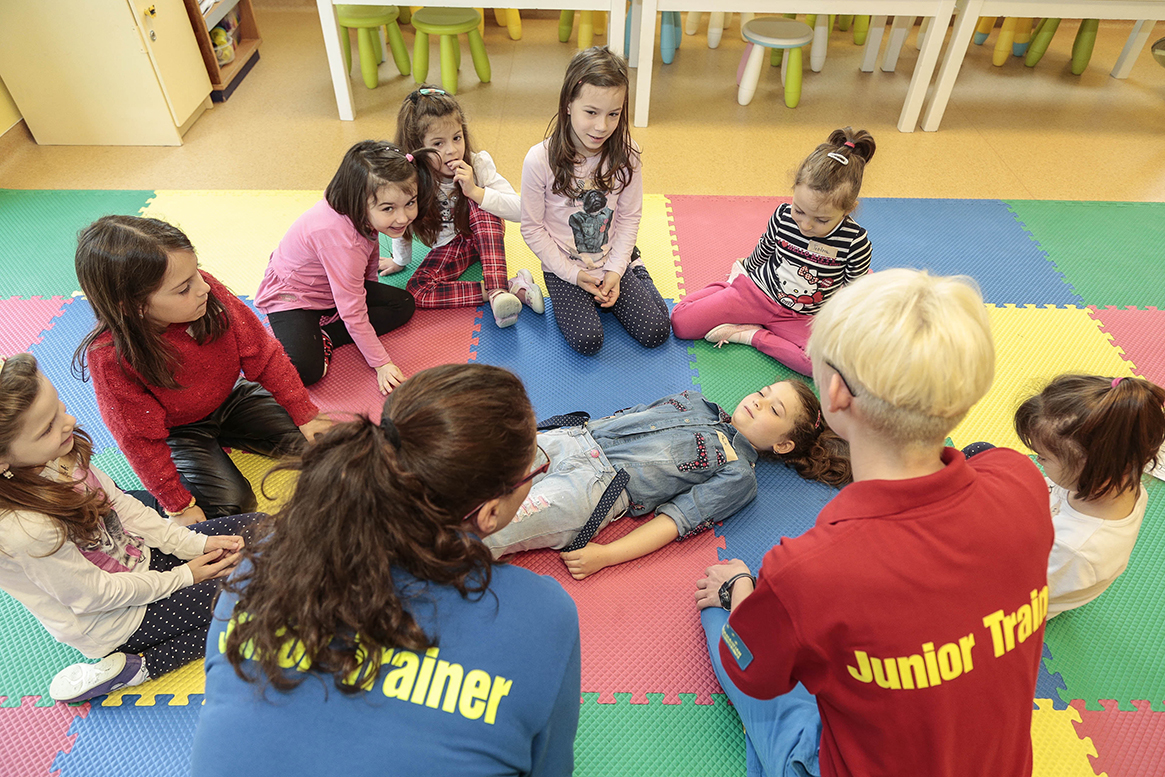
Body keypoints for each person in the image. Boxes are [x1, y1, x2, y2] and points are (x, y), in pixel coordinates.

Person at [694, 270, 1054, 777]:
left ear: (836, 395)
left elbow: (747, 672)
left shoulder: (809, 568)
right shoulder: (1021, 482)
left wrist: (742, 590)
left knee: (722, 602)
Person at [192, 364, 581, 776]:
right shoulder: (539, 614)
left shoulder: (264, 558)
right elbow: (549, 767)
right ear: (489, 512)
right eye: (534, 468)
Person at [0, 353, 254, 704]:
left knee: (264, 530)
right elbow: (94, 595)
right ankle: (138, 667)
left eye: (59, 406)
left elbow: (123, 506)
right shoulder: (24, 530)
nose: (69, 421)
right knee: (258, 601)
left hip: (139, 560)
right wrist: (185, 576)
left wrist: (193, 545)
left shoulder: (58, 452)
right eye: (46, 428)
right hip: (115, 618)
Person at [74, 216, 328, 524]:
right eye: (183, 288)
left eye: (197, 272)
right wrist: (177, 503)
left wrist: (306, 413)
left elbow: (263, 353)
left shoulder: (205, 291)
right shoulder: (110, 356)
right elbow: (138, 439)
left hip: (231, 397)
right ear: (133, 306)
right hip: (178, 429)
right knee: (231, 505)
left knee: (324, 444)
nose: (204, 286)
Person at [484, 380, 850, 580]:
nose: (758, 401)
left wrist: (607, 555)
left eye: (775, 409)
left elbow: (674, 521)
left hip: (594, 488)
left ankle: (430, 560)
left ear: (783, 445)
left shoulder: (738, 475)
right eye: (763, 392)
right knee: (477, 463)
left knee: (494, 529)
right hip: (571, 437)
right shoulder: (694, 400)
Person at [671, 128, 875, 375]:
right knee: (681, 323)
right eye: (799, 210)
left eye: (821, 220)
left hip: (801, 316)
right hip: (756, 293)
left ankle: (750, 334)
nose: (806, 225)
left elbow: (854, 292)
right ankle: (728, 288)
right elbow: (765, 248)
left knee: (822, 366)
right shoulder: (782, 216)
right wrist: (740, 278)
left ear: (848, 210)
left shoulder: (855, 241)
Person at [521, 47, 671, 356]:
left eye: (613, 114)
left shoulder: (628, 154)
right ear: (568, 105)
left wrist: (616, 270)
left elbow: (630, 216)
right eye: (591, 112)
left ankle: (635, 264)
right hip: (563, 266)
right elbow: (532, 228)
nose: (602, 126)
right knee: (588, 342)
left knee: (658, 331)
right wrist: (572, 274)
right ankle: (620, 267)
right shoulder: (539, 160)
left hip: (612, 258)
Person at [257, 140, 439, 392]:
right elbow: (353, 309)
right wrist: (382, 364)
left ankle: (328, 334)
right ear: (358, 202)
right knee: (306, 371)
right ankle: (320, 327)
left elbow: (370, 251)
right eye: (389, 208)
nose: (403, 217)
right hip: (294, 296)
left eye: (410, 203)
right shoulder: (341, 241)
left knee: (404, 304)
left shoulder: (360, 215)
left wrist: (369, 291)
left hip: (334, 287)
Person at [387, 86, 544, 328]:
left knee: (479, 205)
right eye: (438, 143)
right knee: (416, 291)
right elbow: (401, 220)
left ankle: (498, 291)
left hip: (485, 235)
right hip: (452, 248)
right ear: (417, 146)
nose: (451, 149)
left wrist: (475, 191)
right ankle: (507, 287)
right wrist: (400, 260)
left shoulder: (478, 164)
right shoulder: (413, 177)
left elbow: (522, 210)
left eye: (456, 137)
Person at [1015, 374, 1164, 617]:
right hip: (1036, 533)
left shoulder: (1076, 547)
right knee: (982, 454)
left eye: (1043, 457)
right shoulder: (1118, 480)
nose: (1038, 461)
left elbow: (1015, 591)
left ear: (1094, 466)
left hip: (1017, 603)